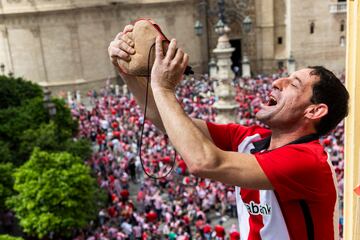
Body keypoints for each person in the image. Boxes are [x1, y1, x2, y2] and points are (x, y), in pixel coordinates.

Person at [108, 25, 349, 240]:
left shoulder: (309, 161)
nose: (277, 83)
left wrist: (162, 88)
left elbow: (203, 162)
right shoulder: (250, 140)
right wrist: (128, 74)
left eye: (293, 84)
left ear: (315, 111)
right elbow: (164, 120)